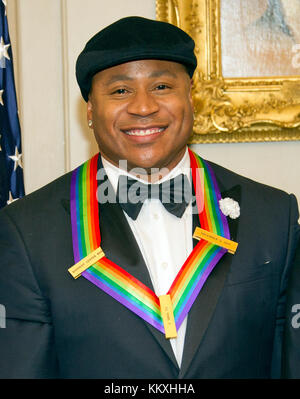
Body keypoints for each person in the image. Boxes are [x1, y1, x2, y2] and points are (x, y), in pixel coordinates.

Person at [0, 16, 299, 379]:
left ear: (191, 96)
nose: (143, 107)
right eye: (120, 91)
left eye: (161, 86)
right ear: (90, 110)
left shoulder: (273, 216)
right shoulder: (27, 232)